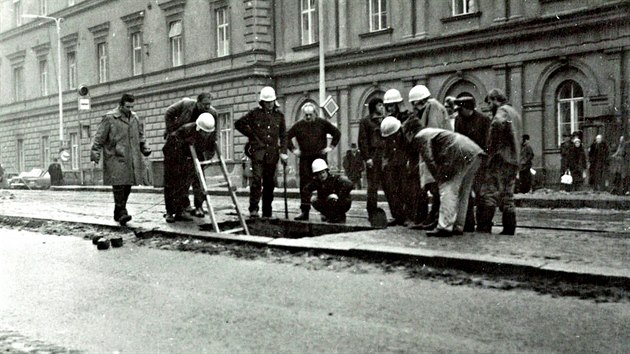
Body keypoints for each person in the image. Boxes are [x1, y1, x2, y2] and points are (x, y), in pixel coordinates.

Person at [90, 93, 152, 225]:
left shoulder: (135, 118)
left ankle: (118, 211)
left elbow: (141, 136)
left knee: (128, 186)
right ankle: (122, 212)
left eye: (132, 106)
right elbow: (99, 137)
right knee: (119, 186)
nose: (130, 109)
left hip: (131, 158)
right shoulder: (110, 118)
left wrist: (145, 147)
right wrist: (95, 154)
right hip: (115, 157)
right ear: (121, 105)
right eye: (127, 107)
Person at [414, 128, 485, 237]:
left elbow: (429, 158)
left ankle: (444, 226)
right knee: (463, 192)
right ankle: (458, 226)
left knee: (448, 188)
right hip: (475, 152)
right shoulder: (431, 132)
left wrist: (438, 178)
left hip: (458, 151)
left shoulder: (419, 137)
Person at [235, 86, 288, 218]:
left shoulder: (279, 116)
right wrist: (252, 136)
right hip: (258, 153)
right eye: (267, 102)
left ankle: (267, 210)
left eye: (271, 102)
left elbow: (284, 135)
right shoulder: (255, 114)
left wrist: (283, 151)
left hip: (272, 155)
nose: (269, 105)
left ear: (274, 101)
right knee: (257, 180)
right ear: (262, 102)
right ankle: (253, 209)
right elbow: (239, 124)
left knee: (269, 183)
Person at [405, 84, 452, 230]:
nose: (414, 107)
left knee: (438, 188)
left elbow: (432, 133)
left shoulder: (434, 108)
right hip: (435, 153)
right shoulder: (429, 108)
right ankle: (433, 217)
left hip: (439, 153)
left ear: (420, 101)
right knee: (434, 188)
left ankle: (436, 218)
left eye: (414, 104)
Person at [164, 93, 217, 217]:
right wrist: (170, 129)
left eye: (209, 104)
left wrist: (207, 158)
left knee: (198, 178)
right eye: (204, 104)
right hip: (175, 148)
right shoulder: (186, 107)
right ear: (198, 102)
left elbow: (212, 138)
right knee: (175, 180)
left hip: (194, 147)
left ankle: (197, 207)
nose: (207, 107)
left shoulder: (211, 115)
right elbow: (169, 114)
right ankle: (172, 212)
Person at [477, 89, 521, 235]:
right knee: (508, 195)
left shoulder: (501, 111)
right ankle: (509, 228)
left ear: (496, 99)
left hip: (500, 159)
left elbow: (498, 124)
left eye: (490, 102)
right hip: (513, 159)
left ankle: (484, 227)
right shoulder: (514, 112)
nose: (489, 106)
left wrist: (492, 148)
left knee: (490, 192)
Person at [287, 102, 341, 221]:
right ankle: (304, 212)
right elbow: (286, 136)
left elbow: (336, 133)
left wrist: (330, 147)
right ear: (303, 115)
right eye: (306, 115)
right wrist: (293, 150)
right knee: (305, 186)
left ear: (315, 114)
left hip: (320, 159)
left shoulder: (322, 123)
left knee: (324, 185)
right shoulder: (298, 125)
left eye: (310, 114)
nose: (308, 117)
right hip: (305, 160)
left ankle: (325, 212)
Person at [453, 95, 491, 231]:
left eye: (461, 108)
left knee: (481, 194)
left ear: (468, 107)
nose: (458, 112)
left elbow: (487, 143)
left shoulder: (484, 120)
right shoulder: (458, 119)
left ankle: (483, 225)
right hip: (464, 162)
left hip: (480, 161)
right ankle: (468, 223)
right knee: (465, 193)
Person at [358, 97, 386, 219]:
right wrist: (367, 158)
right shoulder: (366, 121)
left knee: (389, 186)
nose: (382, 107)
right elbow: (362, 141)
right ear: (374, 107)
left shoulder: (385, 120)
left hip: (385, 156)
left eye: (382, 105)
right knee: (373, 186)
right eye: (379, 105)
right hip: (373, 156)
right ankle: (372, 211)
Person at [303, 158, 353, 223]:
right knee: (314, 200)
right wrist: (310, 198)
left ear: (327, 171)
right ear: (316, 175)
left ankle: (338, 216)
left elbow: (350, 184)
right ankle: (326, 215)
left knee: (332, 198)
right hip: (327, 203)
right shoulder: (317, 182)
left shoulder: (335, 179)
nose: (322, 175)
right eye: (319, 174)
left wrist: (338, 195)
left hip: (340, 203)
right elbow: (306, 189)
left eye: (323, 172)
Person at [380, 116, 408, 226]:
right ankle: (397, 216)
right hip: (394, 166)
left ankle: (406, 216)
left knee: (404, 190)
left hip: (403, 166)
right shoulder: (390, 139)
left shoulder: (405, 136)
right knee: (391, 191)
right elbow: (387, 152)